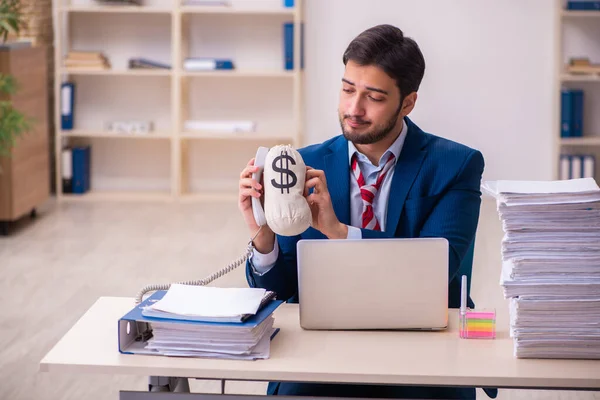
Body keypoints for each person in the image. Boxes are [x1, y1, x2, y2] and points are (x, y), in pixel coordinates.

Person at [238, 24, 487, 399]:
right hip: (326, 340)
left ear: (408, 102)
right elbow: (280, 293)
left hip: (422, 340)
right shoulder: (304, 164)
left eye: (373, 97)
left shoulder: (456, 165)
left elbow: (436, 271)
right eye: (347, 90)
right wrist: (264, 232)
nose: (353, 109)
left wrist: (339, 232)